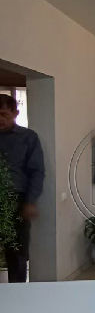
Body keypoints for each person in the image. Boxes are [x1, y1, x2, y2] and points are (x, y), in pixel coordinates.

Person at [0, 94, 45, 282]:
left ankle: (17, 293)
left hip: (16, 201)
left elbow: (36, 171)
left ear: (15, 113)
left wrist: (30, 201)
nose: (0, 119)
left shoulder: (28, 137)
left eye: (4, 114)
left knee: (16, 253)